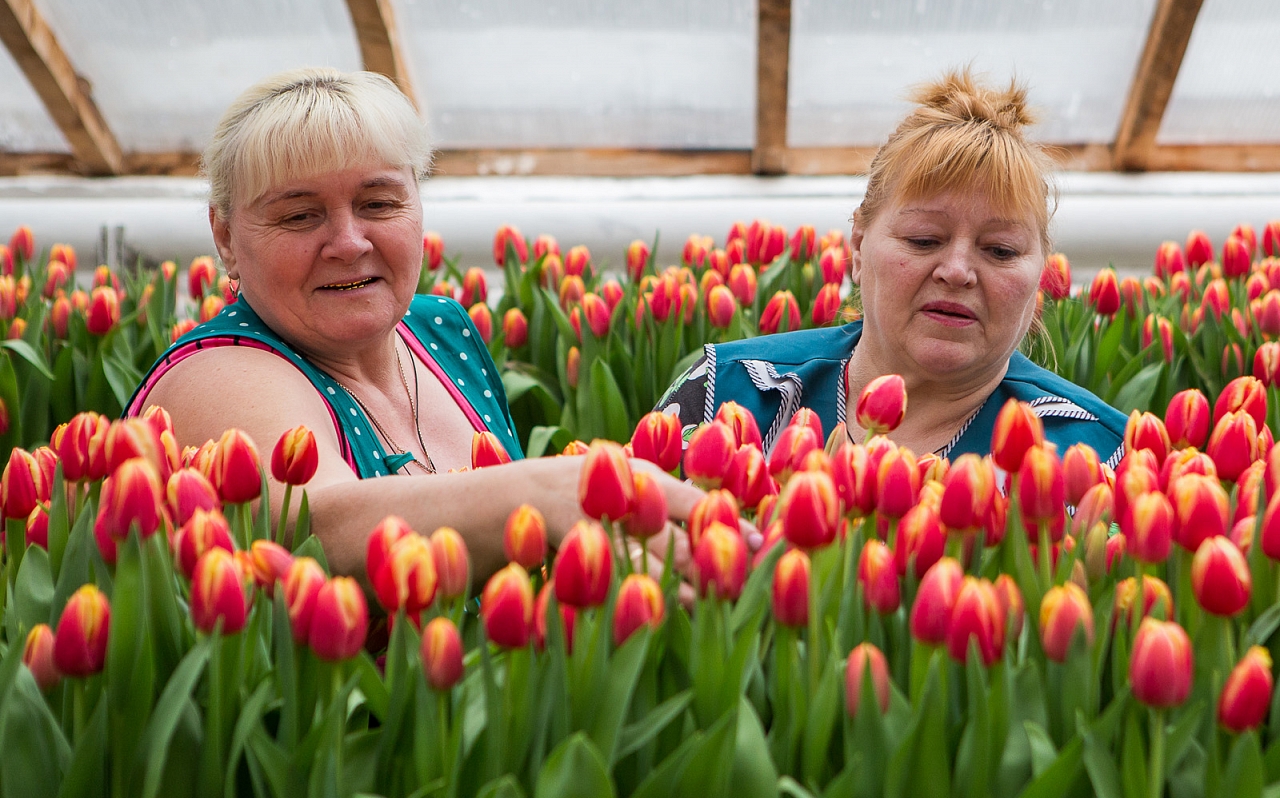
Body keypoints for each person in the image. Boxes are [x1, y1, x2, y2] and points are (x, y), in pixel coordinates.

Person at [129, 67, 701, 583]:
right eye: (299, 215)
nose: (349, 243)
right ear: (225, 237)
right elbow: (314, 523)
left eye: (378, 204)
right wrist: (537, 490)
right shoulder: (220, 371)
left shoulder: (442, 332)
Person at [657, 69, 1127, 470]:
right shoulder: (732, 393)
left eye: (1001, 251)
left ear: (1040, 275)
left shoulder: (1099, 454)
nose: (958, 271)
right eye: (924, 240)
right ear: (858, 247)